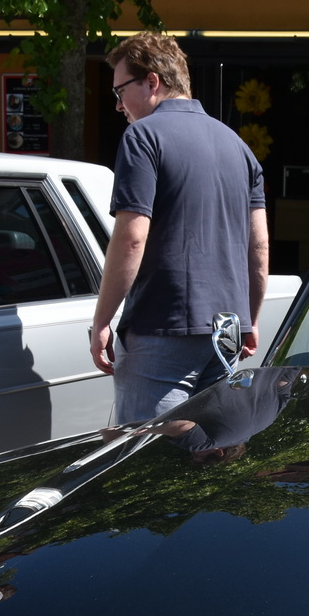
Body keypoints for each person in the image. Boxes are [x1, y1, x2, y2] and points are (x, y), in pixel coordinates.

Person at [89, 32, 269, 423]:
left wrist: (102, 321)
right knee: (208, 449)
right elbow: (258, 246)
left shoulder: (143, 136)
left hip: (164, 324)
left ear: (152, 82)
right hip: (227, 328)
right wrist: (250, 318)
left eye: (120, 91)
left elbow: (132, 238)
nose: (118, 105)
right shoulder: (238, 146)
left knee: (149, 452)